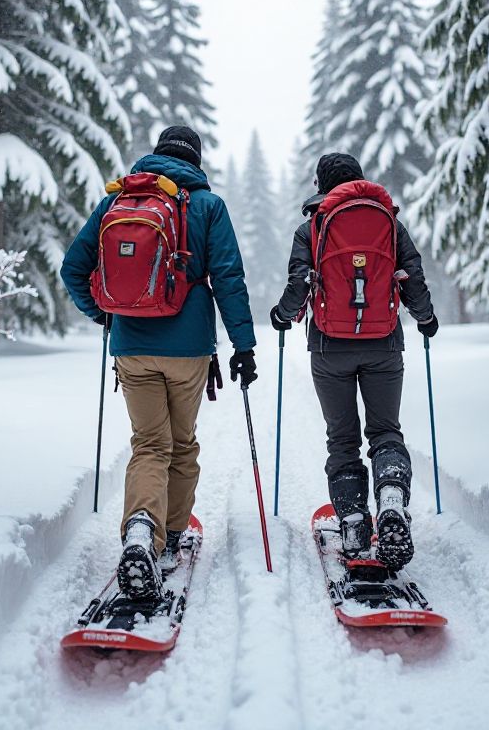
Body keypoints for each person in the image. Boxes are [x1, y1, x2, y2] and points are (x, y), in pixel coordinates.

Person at [61, 125, 257, 600]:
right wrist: (243, 346)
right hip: (188, 348)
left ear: (155, 156)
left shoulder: (117, 203)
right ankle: (165, 541)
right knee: (181, 443)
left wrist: (107, 315)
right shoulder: (208, 206)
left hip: (131, 343)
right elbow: (228, 277)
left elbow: (73, 269)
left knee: (149, 444)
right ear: (195, 159)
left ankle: (138, 532)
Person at [270, 152, 438, 569]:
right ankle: (393, 499)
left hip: (329, 347)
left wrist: (281, 315)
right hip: (383, 343)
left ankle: (352, 523)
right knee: (385, 432)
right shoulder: (389, 223)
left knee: (342, 439)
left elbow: (299, 283)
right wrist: (426, 317)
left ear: (321, 188)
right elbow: (412, 276)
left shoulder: (311, 227)